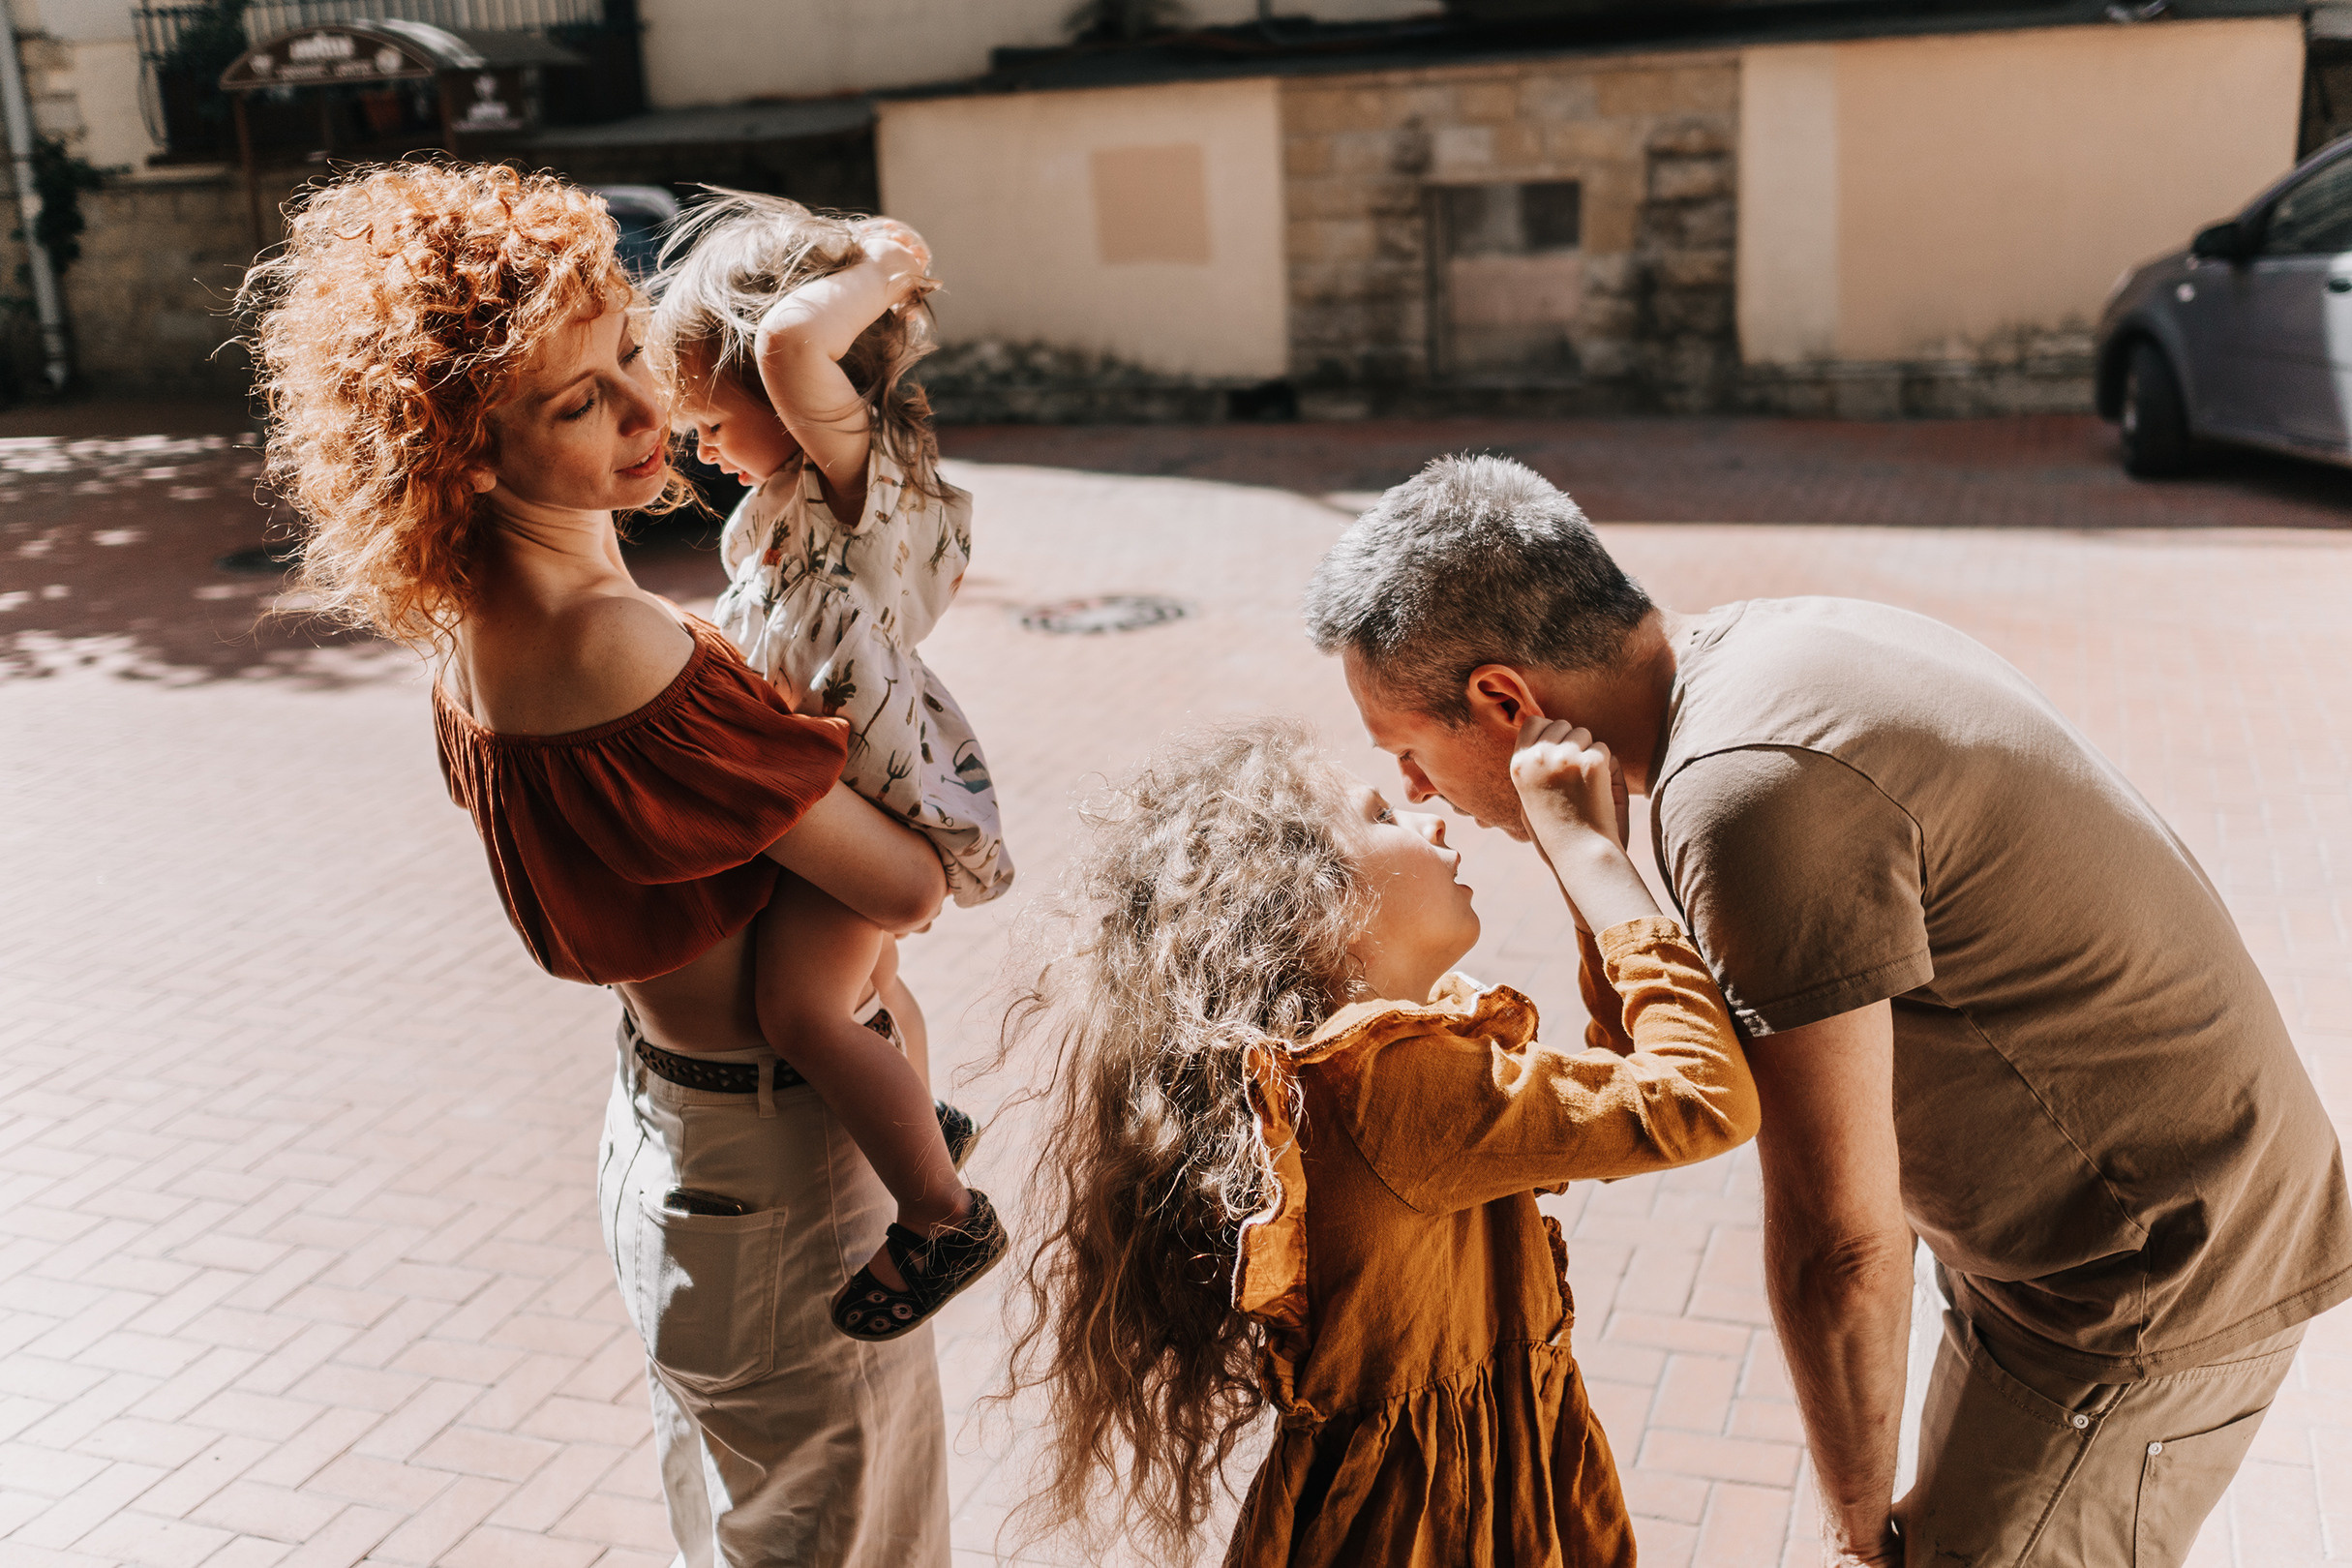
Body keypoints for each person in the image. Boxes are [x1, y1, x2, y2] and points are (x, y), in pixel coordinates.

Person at [1301, 454, 2352, 1567]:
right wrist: (1588, 859)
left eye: (1405, 753)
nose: (1417, 791)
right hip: (2086, 1232)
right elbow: (1686, 1066)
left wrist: (1852, 1520)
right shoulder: (1769, 654)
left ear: (1503, 703)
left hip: (2146, 1274)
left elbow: (1840, 1242)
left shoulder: (1743, 791)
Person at [240, 162, 952, 1567]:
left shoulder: (478, 627)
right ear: (461, 455)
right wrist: (853, 722)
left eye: (632, 352)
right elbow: (907, 887)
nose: (649, 413)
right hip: (777, 1161)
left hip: (680, 1145)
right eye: (580, 402)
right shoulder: (619, 647)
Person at [996, 717, 1761, 1566]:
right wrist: (1591, 858)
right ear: (1314, 905)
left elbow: (1625, 1090)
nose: (1426, 816)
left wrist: (1581, 873)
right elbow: (1700, 1096)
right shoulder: (1395, 1085)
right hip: (1439, 1529)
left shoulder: (1355, 1072)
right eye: (1382, 818)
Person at [648, 192, 1011, 1341]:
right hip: (820, 783)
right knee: (868, 993)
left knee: (801, 1009)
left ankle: (941, 1212)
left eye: (713, 414)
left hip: (863, 787)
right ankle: (924, 1124)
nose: (700, 444)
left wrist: (881, 268)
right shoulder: (775, 504)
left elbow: (797, 339)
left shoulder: (858, 473)